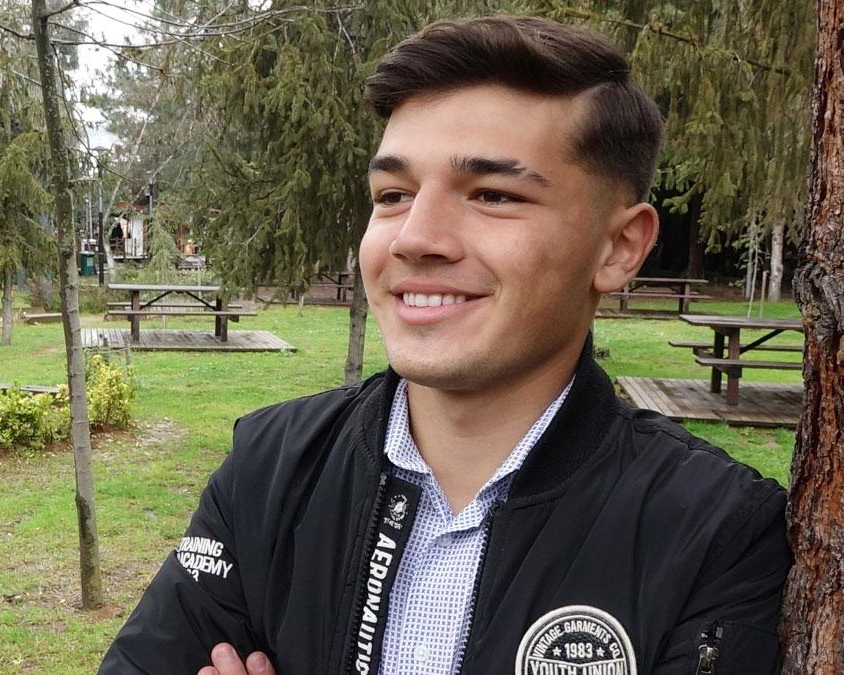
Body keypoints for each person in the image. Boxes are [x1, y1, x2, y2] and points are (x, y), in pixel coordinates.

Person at [99, 15, 790, 675]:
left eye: (492, 195)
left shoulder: (715, 530)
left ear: (619, 247)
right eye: (392, 194)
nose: (415, 237)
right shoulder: (272, 467)